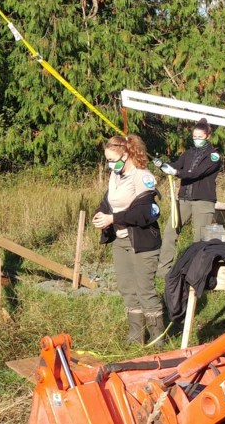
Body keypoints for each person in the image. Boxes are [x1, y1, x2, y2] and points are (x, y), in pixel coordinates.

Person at [92, 134, 165, 346]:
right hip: (120, 241)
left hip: (143, 243)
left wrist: (113, 218)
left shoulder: (142, 177)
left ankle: (157, 339)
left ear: (127, 153)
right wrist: (100, 214)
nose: (110, 165)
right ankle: (135, 337)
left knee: (145, 289)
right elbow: (109, 202)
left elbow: (144, 213)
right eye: (107, 160)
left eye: (113, 160)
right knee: (127, 288)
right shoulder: (115, 176)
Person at [155, 118, 221, 280]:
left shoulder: (214, 156)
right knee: (170, 232)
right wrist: (164, 165)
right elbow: (177, 165)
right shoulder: (189, 153)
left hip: (203, 201)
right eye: (194, 137)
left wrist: (176, 173)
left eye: (200, 137)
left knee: (200, 238)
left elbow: (196, 173)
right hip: (184, 199)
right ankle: (164, 270)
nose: (196, 140)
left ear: (207, 136)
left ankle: (198, 273)